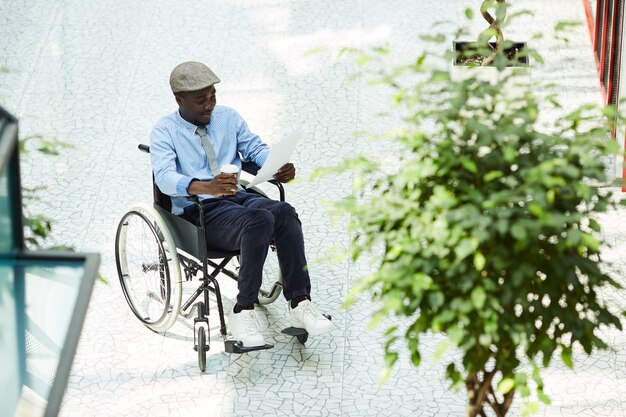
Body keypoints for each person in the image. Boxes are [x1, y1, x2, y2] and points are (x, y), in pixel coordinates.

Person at [150, 61, 333, 347]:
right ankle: (243, 309)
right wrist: (205, 186)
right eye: (201, 100)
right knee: (258, 221)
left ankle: (299, 302)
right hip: (198, 211)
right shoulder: (165, 131)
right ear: (179, 100)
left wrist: (275, 165)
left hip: (237, 196)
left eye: (212, 96)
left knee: (284, 213)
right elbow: (164, 177)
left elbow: (254, 148)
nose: (209, 105)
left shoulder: (228, 118)